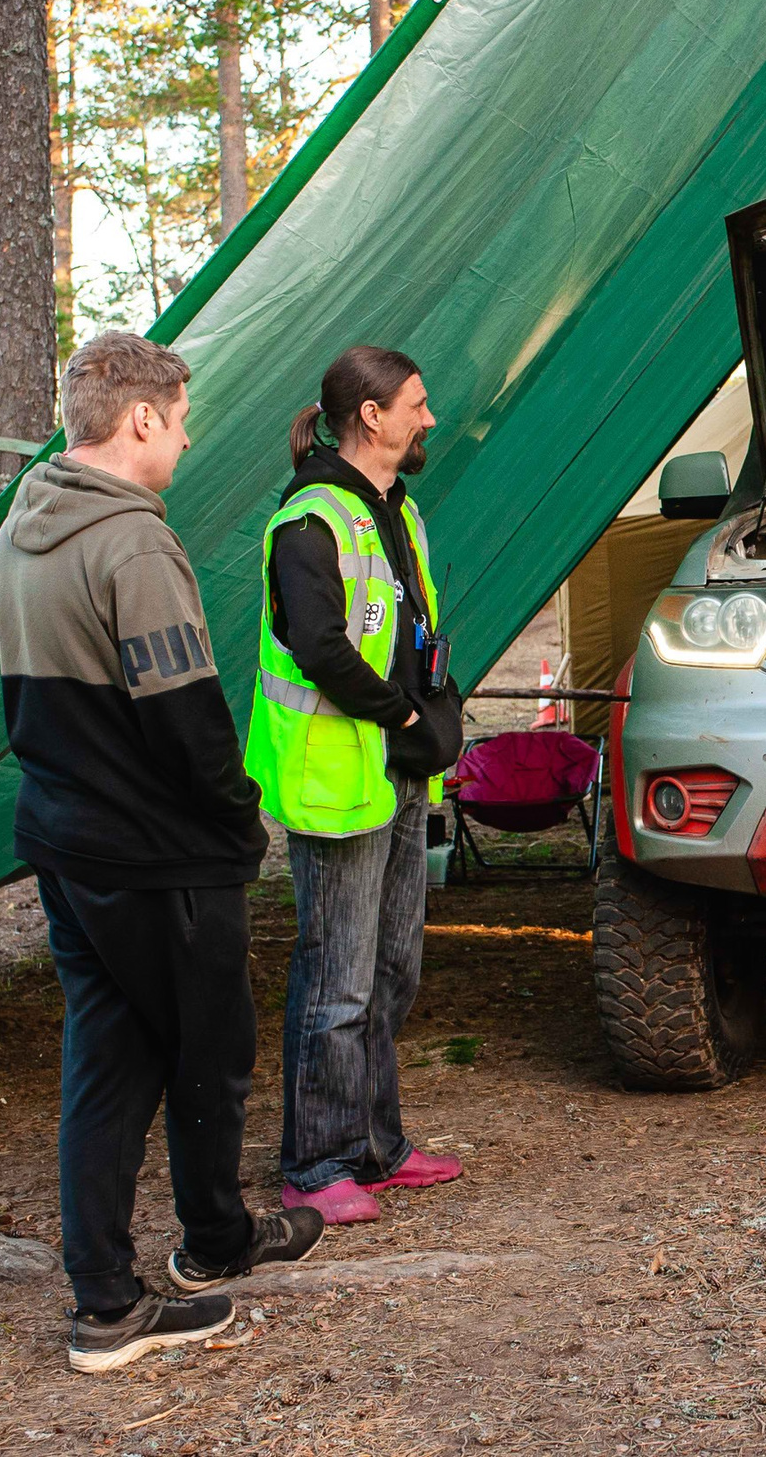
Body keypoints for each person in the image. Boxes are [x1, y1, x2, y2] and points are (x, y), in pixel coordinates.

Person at [0, 331, 323, 1373]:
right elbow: (184, 720)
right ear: (140, 417)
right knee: (207, 1054)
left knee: (107, 1054)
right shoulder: (131, 542)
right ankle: (186, 1256)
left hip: (66, 836)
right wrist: (236, 818)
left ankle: (121, 1284)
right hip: (154, 855)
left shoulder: (23, 529)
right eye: (179, 419)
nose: (184, 438)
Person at [245, 346, 466, 1223]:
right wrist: (406, 718)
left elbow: (411, 630)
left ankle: (376, 1146)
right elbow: (320, 647)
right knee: (336, 980)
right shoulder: (311, 521)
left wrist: (434, 710)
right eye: (417, 402)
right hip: (339, 775)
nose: (430, 417)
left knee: (391, 969)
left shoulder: (394, 512)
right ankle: (316, 1163)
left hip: (394, 772)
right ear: (371, 416)